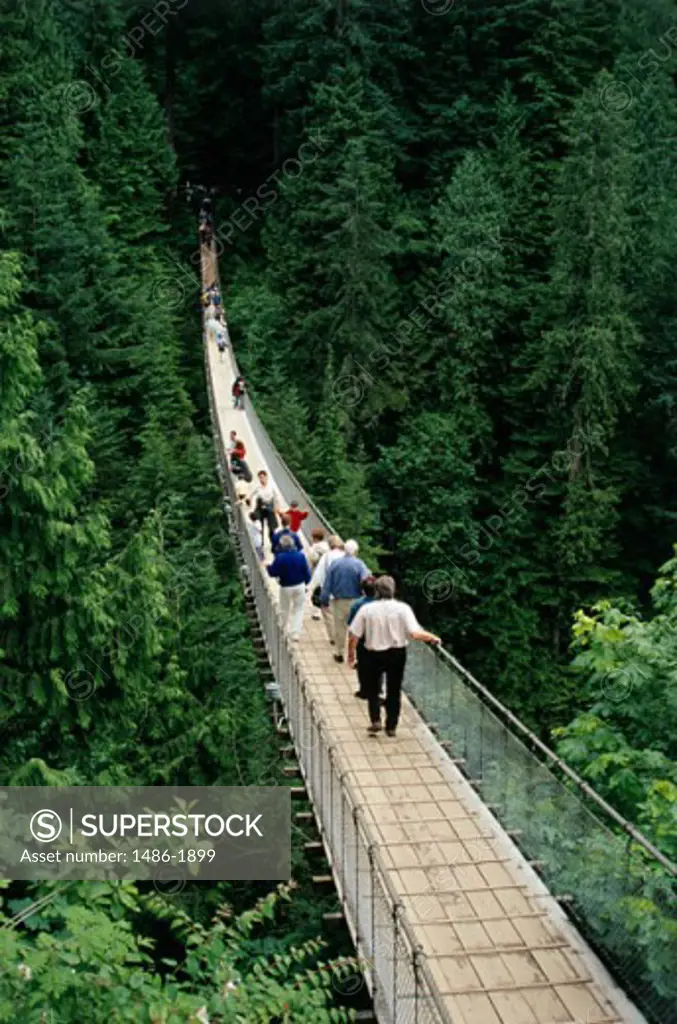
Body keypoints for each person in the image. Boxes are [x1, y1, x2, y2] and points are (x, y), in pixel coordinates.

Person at [348, 576, 441, 738]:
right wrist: (432, 637)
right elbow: (414, 633)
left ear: (376, 591)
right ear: (393, 589)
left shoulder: (367, 609)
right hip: (396, 654)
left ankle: (375, 719)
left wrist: (351, 655)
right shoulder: (403, 608)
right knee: (394, 689)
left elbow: (354, 634)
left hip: (372, 654)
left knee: (373, 689)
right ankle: (391, 726)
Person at [321, 540, 370, 663]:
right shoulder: (360, 564)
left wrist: (324, 599)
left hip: (339, 601)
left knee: (340, 627)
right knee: (357, 628)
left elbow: (327, 584)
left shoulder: (335, 564)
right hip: (356, 600)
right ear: (356, 552)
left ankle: (339, 653)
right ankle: (356, 656)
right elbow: (366, 581)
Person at [267, 534, 311, 641]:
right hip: (300, 585)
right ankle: (295, 633)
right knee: (299, 609)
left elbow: (273, 572)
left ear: (282, 545)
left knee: (284, 608)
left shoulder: (280, 557)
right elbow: (306, 572)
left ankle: (283, 629)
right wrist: (307, 582)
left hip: (286, 586)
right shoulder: (300, 556)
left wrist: (268, 567)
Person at [347, 577, 378, 699]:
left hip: (363, 639)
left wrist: (350, 653)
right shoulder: (382, 604)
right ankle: (376, 690)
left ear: (363, 590)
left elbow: (351, 623)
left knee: (363, 665)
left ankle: (364, 690)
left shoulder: (357, 605)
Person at [309, 535, 344, 641]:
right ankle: (340, 635)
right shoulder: (345, 556)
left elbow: (319, 573)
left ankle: (333, 636)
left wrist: (311, 586)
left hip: (328, 589)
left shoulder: (327, 556)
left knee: (328, 614)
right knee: (340, 615)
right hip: (342, 590)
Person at [249, 469, 279, 548]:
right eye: (260, 477)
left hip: (269, 505)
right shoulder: (258, 487)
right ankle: (260, 543)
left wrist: (277, 507)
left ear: (266, 477)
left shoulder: (271, 486)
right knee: (259, 524)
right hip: (260, 505)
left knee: (272, 526)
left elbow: (276, 497)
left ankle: (273, 542)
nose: (261, 479)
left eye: (262, 477)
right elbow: (251, 494)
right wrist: (248, 499)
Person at [307, 528, 330, 620]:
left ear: (315, 538)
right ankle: (324, 608)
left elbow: (312, 559)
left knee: (316, 590)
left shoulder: (314, 547)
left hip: (317, 570)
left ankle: (316, 612)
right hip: (327, 571)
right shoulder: (327, 546)